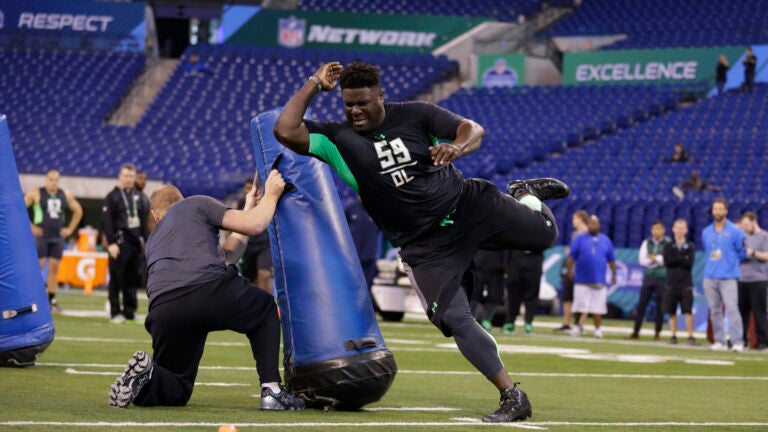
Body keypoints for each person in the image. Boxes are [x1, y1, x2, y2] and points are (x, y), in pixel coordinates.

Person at [273, 61, 569, 423]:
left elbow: (472, 129)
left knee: (545, 235)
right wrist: (314, 84)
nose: (355, 111)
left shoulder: (415, 114)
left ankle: (525, 192)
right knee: (457, 319)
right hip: (424, 244)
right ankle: (513, 396)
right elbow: (285, 129)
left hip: (465, 205)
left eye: (363, 103)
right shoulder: (336, 138)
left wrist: (457, 147)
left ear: (380, 96)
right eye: (349, 105)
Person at [108, 171, 305, 411]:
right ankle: (272, 390)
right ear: (182, 199)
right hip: (206, 288)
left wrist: (248, 206)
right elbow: (255, 224)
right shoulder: (195, 204)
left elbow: (228, 256)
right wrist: (271, 195)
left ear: (154, 215)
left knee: (176, 386)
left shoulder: (154, 240)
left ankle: (147, 376)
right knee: (264, 310)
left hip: (163, 310)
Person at [24, 169, 83, 312]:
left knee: (54, 268)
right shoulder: (36, 193)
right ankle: (31, 298)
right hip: (41, 236)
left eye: (56, 180)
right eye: (51, 179)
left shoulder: (65, 194)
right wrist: (31, 226)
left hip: (57, 237)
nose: (53, 182)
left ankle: (51, 299)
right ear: (46, 179)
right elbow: (20, 208)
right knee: (38, 266)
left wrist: (70, 229)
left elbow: (78, 211)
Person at [103, 163, 149, 324]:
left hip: (135, 243)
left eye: (131, 176)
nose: (129, 179)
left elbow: (143, 224)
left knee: (132, 279)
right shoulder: (112, 197)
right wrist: (111, 243)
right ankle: (115, 312)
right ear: (120, 177)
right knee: (116, 279)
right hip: (119, 242)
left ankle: (130, 311)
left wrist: (148, 243)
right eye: (126, 176)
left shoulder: (140, 197)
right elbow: (107, 222)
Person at [701, 198, 746, 352]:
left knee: (732, 309)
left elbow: (742, 252)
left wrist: (730, 263)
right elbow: (708, 251)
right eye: (715, 209)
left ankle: (737, 341)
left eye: (720, 209)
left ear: (726, 211)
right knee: (714, 310)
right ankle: (719, 341)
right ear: (712, 211)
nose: (718, 212)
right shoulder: (706, 232)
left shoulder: (735, 231)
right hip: (710, 276)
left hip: (728, 277)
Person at [566, 215, 616, 338]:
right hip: (582, 278)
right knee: (579, 305)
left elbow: (611, 260)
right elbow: (572, 256)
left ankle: (597, 329)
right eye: (590, 223)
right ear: (587, 225)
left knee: (598, 307)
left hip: (599, 279)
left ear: (599, 225)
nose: (592, 225)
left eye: (594, 223)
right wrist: (570, 270)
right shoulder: (579, 238)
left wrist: (614, 274)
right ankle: (577, 326)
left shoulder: (605, 240)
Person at [627, 221, 670, 341]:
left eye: (658, 229)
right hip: (648, 278)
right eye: (654, 229)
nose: (656, 231)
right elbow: (642, 260)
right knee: (642, 305)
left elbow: (667, 259)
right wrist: (658, 260)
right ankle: (636, 331)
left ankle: (657, 332)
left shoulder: (668, 243)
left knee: (660, 307)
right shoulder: (647, 242)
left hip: (662, 278)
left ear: (663, 230)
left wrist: (654, 258)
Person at [662, 219, 697, 345]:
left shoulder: (690, 246)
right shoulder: (668, 246)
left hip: (685, 282)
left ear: (686, 230)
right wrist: (682, 258)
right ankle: (673, 335)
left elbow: (689, 263)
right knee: (671, 310)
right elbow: (668, 262)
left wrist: (677, 259)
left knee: (688, 310)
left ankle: (690, 336)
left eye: (682, 228)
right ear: (673, 229)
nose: (680, 231)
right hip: (671, 281)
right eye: (678, 228)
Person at [237, 177, 274, 295]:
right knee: (250, 282)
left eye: (251, 188)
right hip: (247, 247)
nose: (248, 191)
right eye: (246, 188)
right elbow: (231, 228)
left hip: (264, 245)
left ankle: (268, 305)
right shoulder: (240, 204)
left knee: (264, 274)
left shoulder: (266, 203)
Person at [737, 212, 768, 350]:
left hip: (758, 279)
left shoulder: (764, 236)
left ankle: (763, 341)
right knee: (742, 312)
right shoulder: (742, 237)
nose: (745, 228)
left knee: (759, 311)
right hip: (742, 279)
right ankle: (741, 339)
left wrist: (753, 253)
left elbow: (767, 256)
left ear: (754, 222)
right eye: (743, 226)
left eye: (747, 225)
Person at [555, 210, 588, 333]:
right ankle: (567, 324)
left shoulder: (588, 235)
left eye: (575, 219)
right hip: (571, 270)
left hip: (582, 272)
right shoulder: (575, 234)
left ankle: (579, 325)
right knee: (567, 297)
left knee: (582, 300)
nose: (573, 221)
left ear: (580, 219)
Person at [345, 196, 381, 291]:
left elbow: (379, 230)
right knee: (352, 287)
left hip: (369, 258)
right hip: (353, 258)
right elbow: (344, 229)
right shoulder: (351, 209)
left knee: (367, 289)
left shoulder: (376, 210)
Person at [504, 250, 543, 334]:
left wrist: (533, 246)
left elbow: (548, 244)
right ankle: (510, 322)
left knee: (531, 296)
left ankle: (528, 322)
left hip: (534, 264)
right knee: (513, 296)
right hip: (515, 264)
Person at [468, 250, 506, 332]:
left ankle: (486, 320)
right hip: (478, 267)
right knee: (474, 294)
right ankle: (470, 319)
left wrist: (505, 264)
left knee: (494, 296)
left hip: (497, 269)